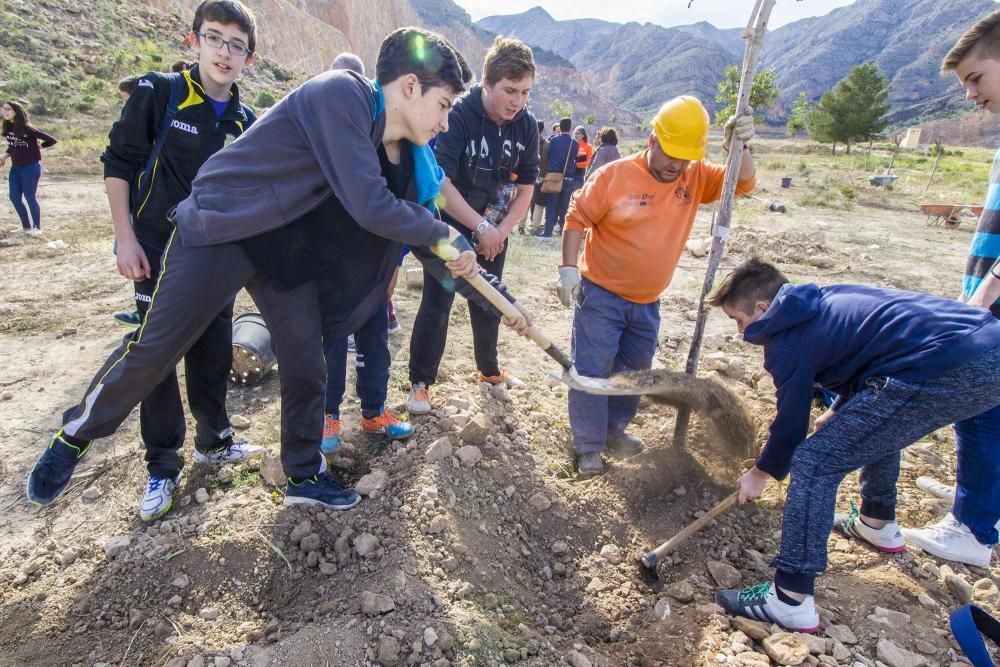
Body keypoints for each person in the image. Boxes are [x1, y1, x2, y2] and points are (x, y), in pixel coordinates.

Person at [27, 27, 529, 516]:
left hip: (280, 251)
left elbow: (426, 227)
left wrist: (496, 298)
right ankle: (75, 434)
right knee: (158, 347)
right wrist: (445, 236)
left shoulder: (396, 148)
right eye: (442, 106)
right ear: (411, 87)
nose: (444, 123)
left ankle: (304, 475)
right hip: (222, 226)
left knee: (306, 356)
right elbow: (372, 206)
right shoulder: (342, 96)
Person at [707, 259, 1000, 632]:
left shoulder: (786, 342)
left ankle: (790, 597)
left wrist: (761, 472)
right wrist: (842, 408)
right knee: (874, 421)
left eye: (738, 320)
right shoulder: (826, 299)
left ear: (762, 309)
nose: (739, 332)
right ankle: (876, 520)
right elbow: (875, 356)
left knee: (815, 461)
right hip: (988, 346)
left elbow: (791, 427)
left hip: (948, 366)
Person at [95, 0, 262, 522]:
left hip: (213, 260)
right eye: (215, 38)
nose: (224, 52)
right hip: (155, 250)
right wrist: (125, 239)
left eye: (237, 45)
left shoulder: (244, 121)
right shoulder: (158, 93)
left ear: (248, 58)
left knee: (214, 347)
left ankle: (215, 440)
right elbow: (118, 164)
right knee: (159, 357)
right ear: (194, 41)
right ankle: (161, 468)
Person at [557, 96, 756, 477]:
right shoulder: (614, 176)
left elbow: (741, 183)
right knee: (592, 370)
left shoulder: (693, 175)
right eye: (670, 156)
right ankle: (588, 446)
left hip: (648, 302)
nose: (676, 166)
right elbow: (575, 217)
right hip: (600, 295)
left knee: (635, 372)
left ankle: (615, 431)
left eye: (685, 158)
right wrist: (568, 268)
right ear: (652, 141)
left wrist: (741, 146)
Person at [898, 8, 1000, 567]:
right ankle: (976, 498)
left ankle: (973, 527)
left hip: (994, 297)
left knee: (983, 407)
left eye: (977, 79)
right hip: (985, 287)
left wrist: (986, 294)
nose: (970, 95)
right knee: (983, 406)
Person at [406, 36, 539, 415]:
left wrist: (500, 231)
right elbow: (440, 183)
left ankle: (490, 371)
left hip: (495, 232)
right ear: (488, 82)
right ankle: (420, 383)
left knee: (490, 304)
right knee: (438, 302)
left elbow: (527, 187)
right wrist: (478, 227)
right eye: (510, 91)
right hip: (452, 228)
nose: (517, 101)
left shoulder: (526, 126)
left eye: (525, 93)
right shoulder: (460, 114)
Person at [1, 100, 56, 237]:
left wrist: (39, 147)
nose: (4, 111)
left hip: (30, 167)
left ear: (16, 112)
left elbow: (51, 140)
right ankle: (26, 227)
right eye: (3, 109)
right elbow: (14, 145)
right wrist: (5, 155)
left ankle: (37, 228)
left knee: (29, 196)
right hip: (16, 167)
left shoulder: (27, 128)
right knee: (14, 197)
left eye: (8, 109)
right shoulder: (8, 127)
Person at [538, 117, 577, 238]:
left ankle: (548, 232)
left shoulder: (554, 141)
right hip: (569, 177)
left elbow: (549, 155)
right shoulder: (574, 143)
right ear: (570, 128)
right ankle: (562, 231)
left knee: (552, 205)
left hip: (554, 177)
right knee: (565, 205)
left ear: (561, 126)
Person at [518, 119, 548, 235]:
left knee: (525, 201)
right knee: (537, 202)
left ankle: (521, 225)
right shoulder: (546, 145)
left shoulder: (525, 141)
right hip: (540, 177)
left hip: (525, 176)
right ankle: (534, 227)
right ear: (542, 131)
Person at [571, 125, 593, 190]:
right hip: (569, 173)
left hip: (579, 174)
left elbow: (588, 162)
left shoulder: (588, 146)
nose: (576, 135)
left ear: (583, 135)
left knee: (577, 195)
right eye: (575, 133)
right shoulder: (571, 145)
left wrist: (575, 164)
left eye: (578, 133)